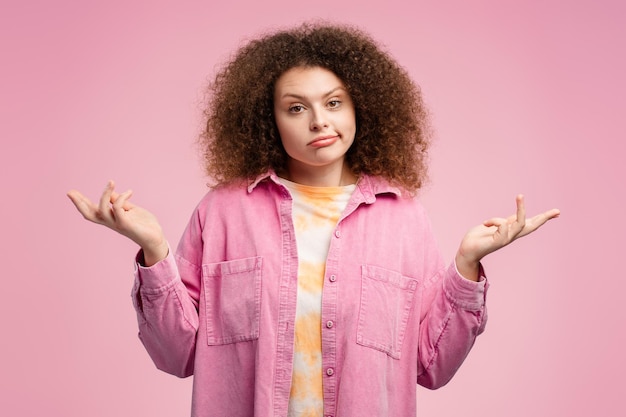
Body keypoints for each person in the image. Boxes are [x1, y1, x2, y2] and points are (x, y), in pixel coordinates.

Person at [67, 23, 559, 417]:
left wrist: (468, 265)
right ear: (268, 120)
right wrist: (154, 251)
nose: (319, 121)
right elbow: (178, 356)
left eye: (334, 102)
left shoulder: (405, 219)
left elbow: (431, 366)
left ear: (360, 108)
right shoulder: (223, 211)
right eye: (296, 107)